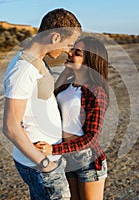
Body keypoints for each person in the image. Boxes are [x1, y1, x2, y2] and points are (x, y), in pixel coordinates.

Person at [3, 8, 81, 199]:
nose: (68, 50)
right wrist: (46, 165)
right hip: (39, 164)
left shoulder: (37, 61)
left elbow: (43, 98)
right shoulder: (22, 70)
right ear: (55, 37)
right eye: (68, 44)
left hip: (49, 159)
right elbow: (10, 127)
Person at [35, 36, 109, 200]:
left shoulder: (96, 92)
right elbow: (49, 98)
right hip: (67, 159)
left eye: (77, 53)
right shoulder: (66, 87)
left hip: (88, 160)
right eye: (71, 50)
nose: (69, 53)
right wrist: (67, 71)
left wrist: (53, 150)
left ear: (89, 61)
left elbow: (92, 137)